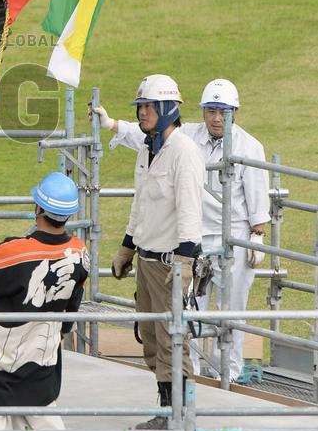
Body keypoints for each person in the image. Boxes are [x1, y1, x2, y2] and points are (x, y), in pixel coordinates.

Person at [94, 78, 269, 382]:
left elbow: (257, 191)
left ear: (234, 112)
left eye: (223, 112)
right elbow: (148, 135)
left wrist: (257, 234)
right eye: (212, 110)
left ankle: (227, 371)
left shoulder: (249, 147)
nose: (216, 118)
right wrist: (113, 125)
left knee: (232, 308)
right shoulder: (187, 135)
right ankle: (196, 375)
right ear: (202, 111)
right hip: (195, 237)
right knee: (191, 310)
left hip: (235, 236)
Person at [0, 172, 89, 431]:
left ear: (38, 208)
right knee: (46, 430)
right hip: (43, 354)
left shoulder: (16, 251)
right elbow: (73, 305)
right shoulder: (80, 251)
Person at [110, 74, 204, 430]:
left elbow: (189, 210)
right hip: (148, 261)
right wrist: (126, 247)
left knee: (171, 342)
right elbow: (141, 204)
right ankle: (166, 409)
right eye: (140, 107)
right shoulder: (149, 150)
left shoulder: (184, 153)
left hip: (170, 263)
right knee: (150, 340)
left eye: (148, 106)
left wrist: (185, 261)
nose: (142, 113)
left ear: (167, 109)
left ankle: (179, 415)